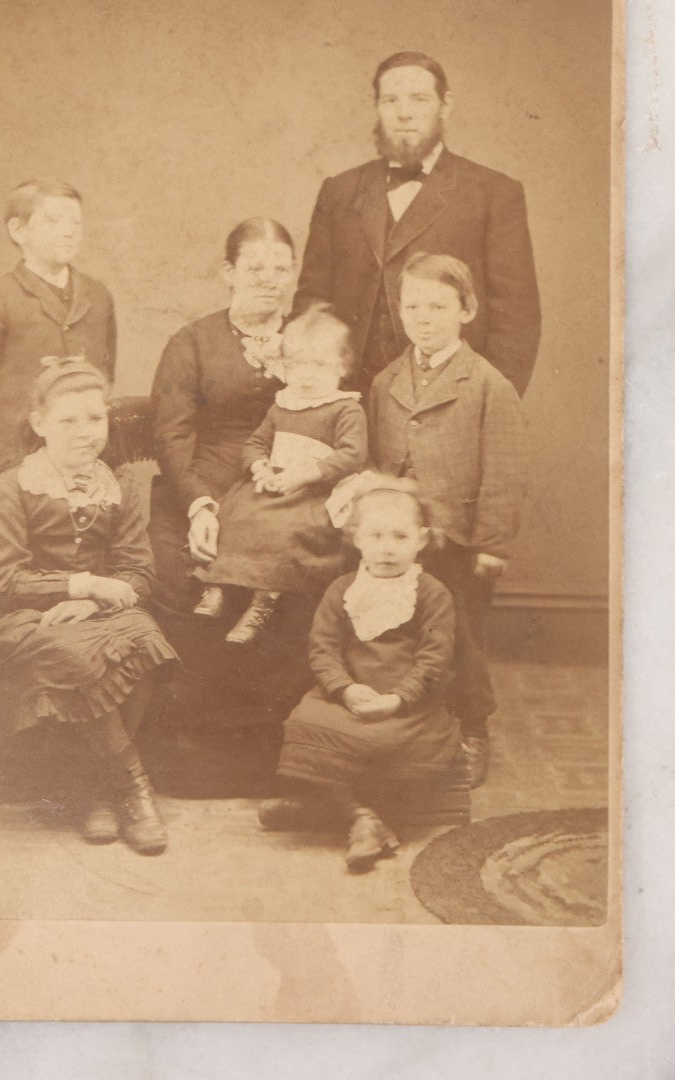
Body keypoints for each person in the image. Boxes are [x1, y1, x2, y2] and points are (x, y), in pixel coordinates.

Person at [0, 358, 176, 853]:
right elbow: (7, 579)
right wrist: (83, 585)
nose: (84, 433)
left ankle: (95, 792)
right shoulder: (12, 485)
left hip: (93, 611)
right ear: (39, 424)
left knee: (146, 640)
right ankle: (133, 792)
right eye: (67, 421)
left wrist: (94, 603)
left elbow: (138, 572)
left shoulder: (119, 487)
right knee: (74, 656)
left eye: (94, 419)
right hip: (14, 614)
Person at [149, 217, 313, 748]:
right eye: (255, 267)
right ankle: (188, 733)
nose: (270, 279)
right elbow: (172, 436)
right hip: (206, 483)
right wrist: (197, 504)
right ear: (229, 272)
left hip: (288, 486)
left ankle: (270, 738)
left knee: (304, 564)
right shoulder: (192, 341)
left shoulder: (313, 336)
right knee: (180, 568)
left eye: (281, 268)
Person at [367, 251, 527, 785]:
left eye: (437, 306)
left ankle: (473, 728)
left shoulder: (488, 385)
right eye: (411, 305)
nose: (423, 318)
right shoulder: (387, 381)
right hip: (395, 536)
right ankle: (412, 724)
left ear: (467, 310)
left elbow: (504, 473)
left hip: (456, 540)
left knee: (460, 633)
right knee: (396, 630)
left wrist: (492, 544)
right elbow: (374, 461)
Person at [293, 51, 540, 397]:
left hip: (450, 398)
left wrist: (486, 405)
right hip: (347, 399)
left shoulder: (493, 193)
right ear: (377, 107)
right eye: (390, 100)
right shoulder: (339, 191)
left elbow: (516, 320)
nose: (404, 112)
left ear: (445, 104)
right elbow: (312, 302)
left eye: (419, 99)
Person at [259, 481, 457, 873]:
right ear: (356, 539)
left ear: (421, 540)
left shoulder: (432, 594)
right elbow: (323, 648)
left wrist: (399, 698)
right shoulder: (342, 590)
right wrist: (345, 689)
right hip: (348, 696)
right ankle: (359, 817)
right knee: (305, 724)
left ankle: (330, 812)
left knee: (387, 738)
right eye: (376, 535)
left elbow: (435, 658)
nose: (387, 547)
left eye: (400, 536)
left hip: (408, 700)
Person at [193, 304, 367, 645]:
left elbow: (352, 454)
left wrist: (307, 474)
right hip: (273, 481)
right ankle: (217, 586)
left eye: (319, 364)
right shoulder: (283, 404)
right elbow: (257, 442)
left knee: (286, 530)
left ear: (342, 367)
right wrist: (258, 465)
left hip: (312, 490)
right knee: (235, 512)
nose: (307, 374)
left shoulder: (345, 408)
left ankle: (263, 601)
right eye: (298, 363)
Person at [0, 178, 117, 500]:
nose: (69, 230)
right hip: (13, 464)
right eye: (53, 220)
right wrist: (4, 435)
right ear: (18, 231)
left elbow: (105, 374)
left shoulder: (98, 296)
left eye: (76, 221)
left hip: (83, 462)